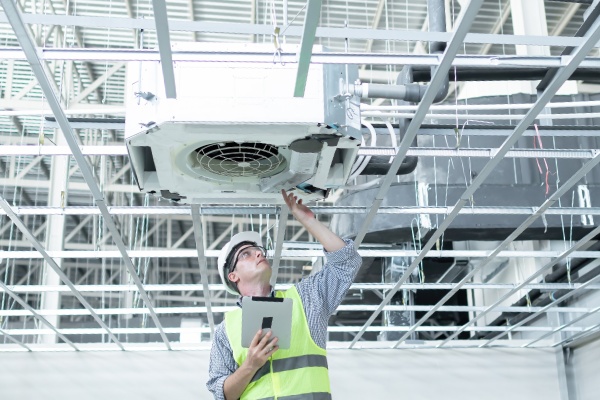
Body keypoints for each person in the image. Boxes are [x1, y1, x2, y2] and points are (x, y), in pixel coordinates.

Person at [206, 190, 362, 400]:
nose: (259, 253)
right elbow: (222, 395)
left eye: (257, 250)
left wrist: (308, 221)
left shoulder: (307, 300)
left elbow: (347, 263)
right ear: (233, 276)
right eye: (246, 254)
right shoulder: (225, 331)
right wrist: (250, 365)